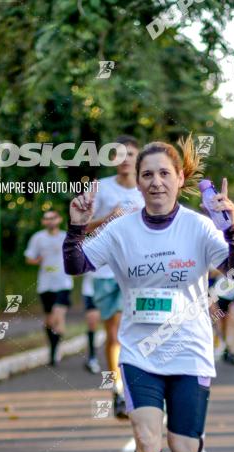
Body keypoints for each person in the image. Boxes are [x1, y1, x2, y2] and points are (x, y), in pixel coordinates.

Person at [64, 136, 234, 452]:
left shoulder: (199, 226)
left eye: (164, 173)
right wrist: (77, 225)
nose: (155, 182)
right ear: (138, 182)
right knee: (146, 437)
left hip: (189, 350)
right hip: (139, 351)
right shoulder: (121, 230)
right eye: (147, 174)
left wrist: (231, 226)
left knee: (180, 447)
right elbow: (75, 264)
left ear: (180, 178)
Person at [84, 135, 144, 418]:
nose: (125, 159)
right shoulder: (101, 189)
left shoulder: (148, 187)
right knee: (114, 333)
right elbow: (83, 229)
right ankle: (117, 390)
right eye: (119, 154)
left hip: (140, 271)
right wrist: (109, 217)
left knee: (136, 329)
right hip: (106, 272)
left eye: (130, 154)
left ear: (138, 157)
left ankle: (139, 385)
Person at [24, 209, 73, 367]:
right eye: (46, 218)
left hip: (63, 283)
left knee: (58, 316)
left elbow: (76, 255)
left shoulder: (66, 237)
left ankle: (54, 353)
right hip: (46, 284)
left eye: (53, 218)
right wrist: (37, 260)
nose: (50, 221)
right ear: (43, 222)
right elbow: (29, 258)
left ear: (59, 219)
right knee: (49, 321)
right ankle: (54, 346)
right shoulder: (38, 238)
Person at [209, 269, 234, 366]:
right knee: (219, 324)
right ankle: (227, 345)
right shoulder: (213, 254)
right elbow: (210, 274)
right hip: (219, 292)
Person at [81, 273, 101, 373]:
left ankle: (114, 379)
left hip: (113, 289)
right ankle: (92, 357)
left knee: (113, 333)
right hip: (91, 290)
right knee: (92, 323)